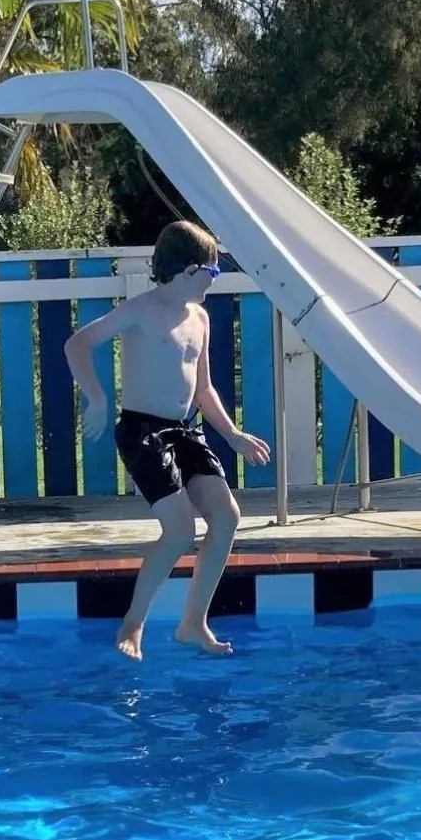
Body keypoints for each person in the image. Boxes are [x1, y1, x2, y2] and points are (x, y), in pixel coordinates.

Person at [64, 220, 271, 660]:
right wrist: (97, 398)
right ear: (187, 270)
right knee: (179, 531)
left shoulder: (199, 318)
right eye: (212, 273)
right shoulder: (140, 310)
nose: (215, 281)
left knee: (227, 517)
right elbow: (77, 345)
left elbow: (204, 389)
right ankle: (133, 625)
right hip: (141, 430)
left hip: (183, 430)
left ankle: (192, 623)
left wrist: (232, 434)